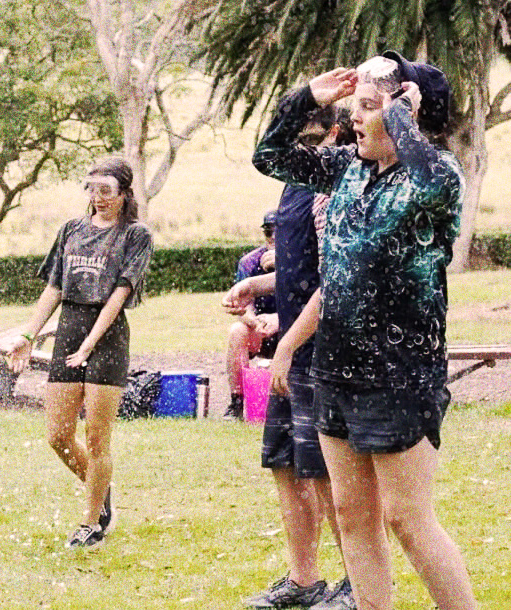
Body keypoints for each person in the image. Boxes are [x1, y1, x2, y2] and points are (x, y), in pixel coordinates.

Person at [253, 52, 477, 610]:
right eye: (356, 104)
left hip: (401, 374)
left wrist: (397, 112)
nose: (355, 115)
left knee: (407, 518)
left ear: (408, 113)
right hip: (337, 368)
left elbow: (424, 163)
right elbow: (269, 156)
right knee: (352, 516)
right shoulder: (346, 169)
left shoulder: (437, 178)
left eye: (370, 106)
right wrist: (308, 95)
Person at [226, 105, 357, 609]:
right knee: (287, 464)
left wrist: (290, 331)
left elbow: (338, 277)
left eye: (308, 136)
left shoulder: (343, 180)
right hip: (293, 344)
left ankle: (355, 584)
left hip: (321, 347)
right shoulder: (296, 182)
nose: (295, 147)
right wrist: (255, 284)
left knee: (325, 472)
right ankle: (304, 581)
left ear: (336, 134)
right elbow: (301, 266)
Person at [6, 156, 152, 549]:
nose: (98, 197)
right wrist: (28, 334)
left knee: (98, 437)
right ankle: (100, 491)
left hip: (106, 337)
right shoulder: (71, 230)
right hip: (69, 330)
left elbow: (120, 295)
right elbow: (54, 288)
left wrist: (90, 342)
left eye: (107, 190)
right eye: (92, 189)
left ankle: (91, 523)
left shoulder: (135, 235)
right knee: (57, 435)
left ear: (123, 194)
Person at [223, 211, 279, 420]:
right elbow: (241, 307)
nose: (273, 237)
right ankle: (236, 403)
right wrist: (255, 322)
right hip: (262, 329)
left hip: (295, 327)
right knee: (237, 331)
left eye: (278, 232)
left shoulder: (302, 259)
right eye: (268, 232)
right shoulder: (249, 262)